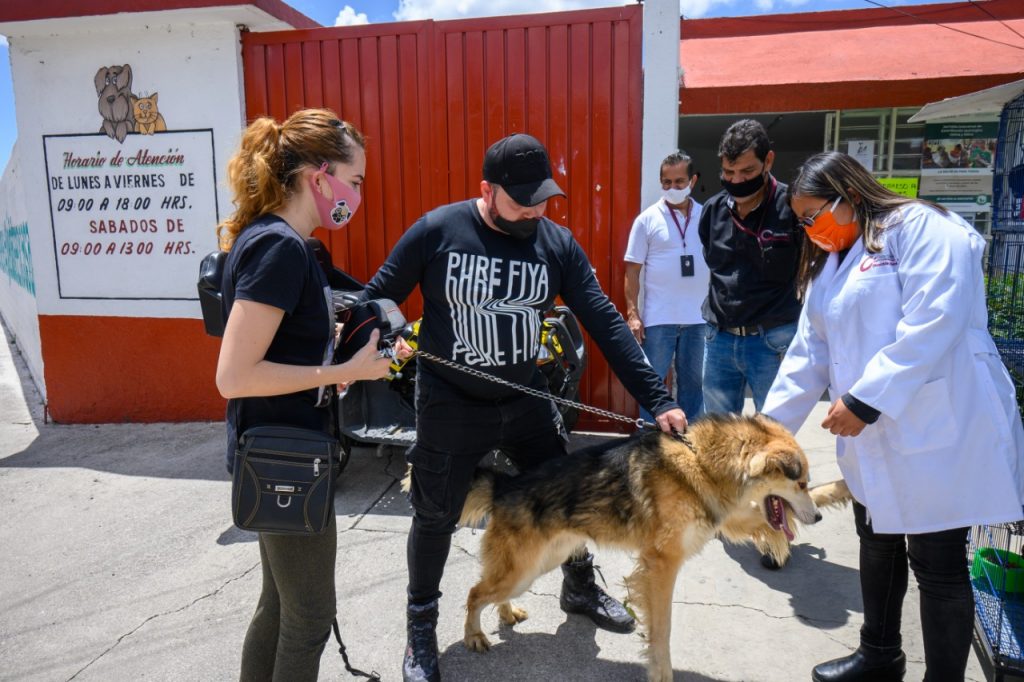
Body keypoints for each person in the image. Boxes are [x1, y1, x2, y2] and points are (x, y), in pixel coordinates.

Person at [362, 133, 688, 682]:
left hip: (523, 395)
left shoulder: (555, 244)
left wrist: (658, 399)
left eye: (542, 199)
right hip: (449, 401)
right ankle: (421, 630)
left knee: (570, 497)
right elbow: (380, 293)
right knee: (435, 513)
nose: (535, 210)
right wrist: (382, 329)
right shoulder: (438, 230)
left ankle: (579, 589)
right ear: (486, 190)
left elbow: (604, 321)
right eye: (521, 200)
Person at [763, 151, 1024, 682]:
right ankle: (879, 655)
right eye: (803, 222)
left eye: (816, 216)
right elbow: (808, 354)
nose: (812, 230)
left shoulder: (923, 227)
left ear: (850, 195)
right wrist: (764, 433)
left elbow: (938, 315)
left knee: (938, 564)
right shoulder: (831, 264)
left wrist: (865, 399)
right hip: (873, 436)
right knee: (876, 540)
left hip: (936, 426)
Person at [214, 109, 395, 681]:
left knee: (279, 607)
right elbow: (234, 376)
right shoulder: (280, 248)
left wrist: (332, 357)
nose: (358, 193)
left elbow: (279, 349)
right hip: (285, 459)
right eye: (356, 180)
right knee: (310, 616)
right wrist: (343, 371)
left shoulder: (284, 243)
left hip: (280, 452)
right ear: (320, 176)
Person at [624, 150, 707, 422]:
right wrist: (633, 315)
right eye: (666, 182)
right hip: (659, 320)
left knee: (694, 387)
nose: (672, 188)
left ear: (692, 181)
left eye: (679, 182)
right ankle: (647, 446)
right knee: (653, 386)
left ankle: (692, 445)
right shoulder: (647, 220)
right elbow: (632, 271)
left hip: (698, 320)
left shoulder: (706, 217)